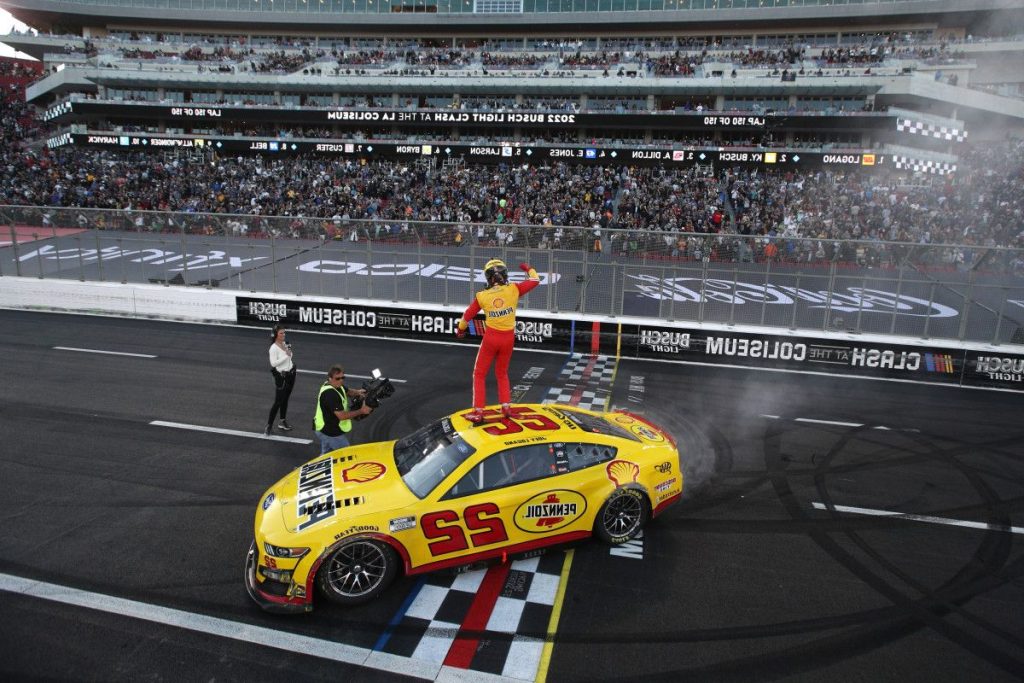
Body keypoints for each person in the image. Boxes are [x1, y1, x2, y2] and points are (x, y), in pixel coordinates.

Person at [455, 259, 540, 422]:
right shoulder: (513, 289)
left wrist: (460, 331)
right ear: (505, 274)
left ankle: (479, 411)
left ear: (488, 278)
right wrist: (528, 268)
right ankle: (506, 407)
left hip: (491, 338)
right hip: (508, 338)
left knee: (479, 374)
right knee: (502, 373)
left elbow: (466, 316)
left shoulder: (482, 296)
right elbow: (535, 280)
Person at [313, 365, 371, 454]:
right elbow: (342, 416)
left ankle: (318, 466)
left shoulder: (336, 385)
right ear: (330, 378)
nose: (341, 380)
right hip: (329, 431)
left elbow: (347, 391)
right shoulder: (330, 394)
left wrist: (358, 392)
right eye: (337, 378)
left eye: (342, 378)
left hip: (323, 427)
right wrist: (361, 411)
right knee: (347, 454)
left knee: (327, 455)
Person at [265, 325, 296, 436]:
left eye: (284, 332)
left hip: (291, 374)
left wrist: (289, 353)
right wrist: (286, 356)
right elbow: (273, 363)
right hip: (282, 377)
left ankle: (282, 421)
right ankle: (269, 425)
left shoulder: (284, 343)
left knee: (286, 398)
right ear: (275, 335)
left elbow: (290, 356)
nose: (283, 335)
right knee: (278, 401)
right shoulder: (273, 348)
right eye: (281, 333)